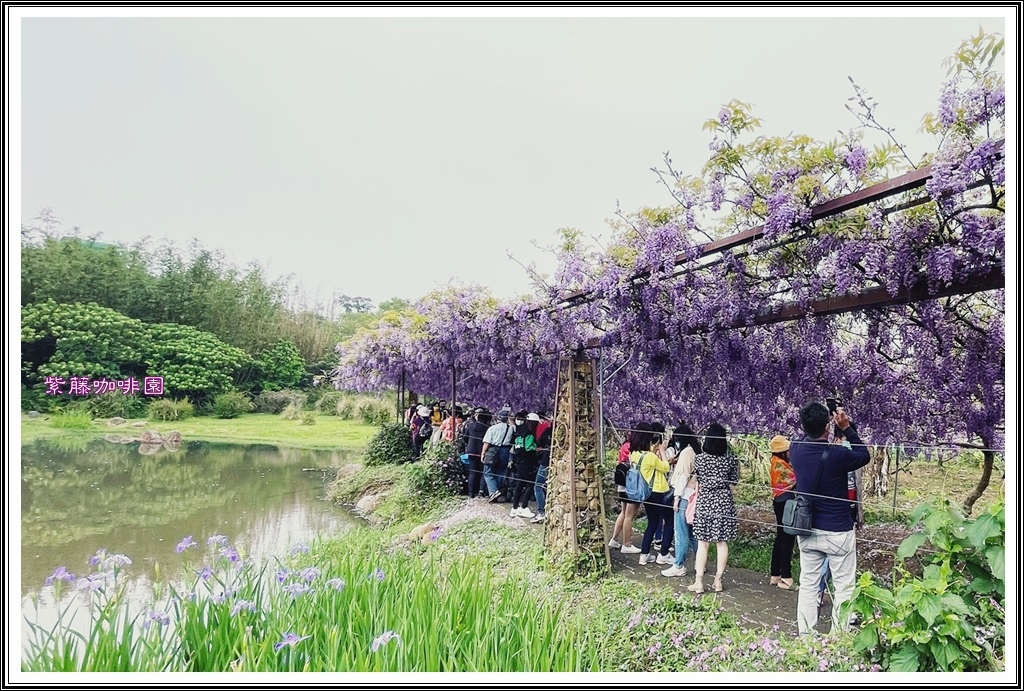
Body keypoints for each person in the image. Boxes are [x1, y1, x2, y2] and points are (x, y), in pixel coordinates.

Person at [791, 401, 870, 635]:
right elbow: (863, 454)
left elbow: (810, 436)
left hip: (807, 529)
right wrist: (845, 427)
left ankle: (806, 637)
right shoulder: (837, 454)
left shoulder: (795, 448)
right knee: (844, 586)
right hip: (837, 530)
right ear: (828, 426)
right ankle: (838, 638)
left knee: (808, 584)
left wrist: (823, 425)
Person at [687, 422, 739, 594]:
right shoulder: (730, 459)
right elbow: (734, 480)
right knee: (721, 542)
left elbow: (699, 478)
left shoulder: (700, 459)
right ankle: (718, 581)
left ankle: (699, 582)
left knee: (703, 543)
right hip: (723, 501)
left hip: (706, 501)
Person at [661, 421, 700, 578]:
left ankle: (679, 565)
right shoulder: (696, 451)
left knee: (681, 532)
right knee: (692, 534)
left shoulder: (686, 453)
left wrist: (676, 498)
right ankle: (700, 564)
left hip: (684, 496)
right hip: (693, 496)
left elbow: (683, 476)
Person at [609, 423, 649, 554]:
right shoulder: (634, 450)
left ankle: (614, 539)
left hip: (622, 484)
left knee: (624, 513)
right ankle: (627, 544)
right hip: (631, 485)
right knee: (629, 515)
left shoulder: (625, 446)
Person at [635, 428, 673, 566]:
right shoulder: (650, 456)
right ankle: (664, 554)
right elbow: (665, 467)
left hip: (646, 493)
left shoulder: (634, 454)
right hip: (658, 491)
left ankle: (644, 555)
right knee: (669, 521)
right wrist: (662, 451)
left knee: (652, 522)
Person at [768, 435, 797, 589]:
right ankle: (786, 577)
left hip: (778, 501)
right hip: (786, 502)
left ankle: (775, 574)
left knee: (780, 537)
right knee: (787, 538)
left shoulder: (774, 461)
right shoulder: (780, 465)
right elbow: (795, 479)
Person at [481, 408, 516, 502]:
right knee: (501, 472)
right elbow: (513, 425)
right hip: (505, 451)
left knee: (488, 472)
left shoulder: (492, 428)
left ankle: (493, 491)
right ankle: (498, 492)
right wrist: (510, 419)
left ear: (498, 418)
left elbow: (487, 443)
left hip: (493, 450)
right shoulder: (511, 428)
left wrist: (483, 453)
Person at [509, 411, 539, 518]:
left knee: (520, 484)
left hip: (519, 461)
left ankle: (515, 508)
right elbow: (528, 447)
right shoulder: (529, 433)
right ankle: (524, 507)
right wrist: (536, 448)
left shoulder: (518, 431)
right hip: (527, 462)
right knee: (531, 484)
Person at [461, 408, 491, 499]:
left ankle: (470, 493)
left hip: (471, 451)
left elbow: (464, 438)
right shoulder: (487, 428)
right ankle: (481, 491)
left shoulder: (470, 426)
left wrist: (468, 443)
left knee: (472, 472)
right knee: (482, 472)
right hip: (482, 452)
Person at [532, 412, 552, 524]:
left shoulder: (548, 430)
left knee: (538, 486)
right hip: (558, 463)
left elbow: (539, 442)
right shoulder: (565, 432)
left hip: (545, 462)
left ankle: (542, 512)